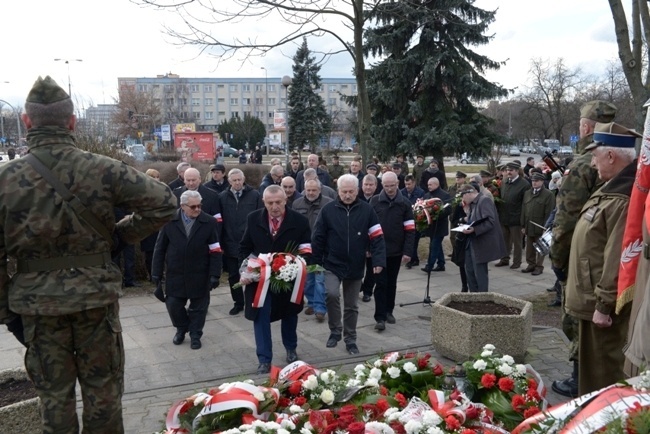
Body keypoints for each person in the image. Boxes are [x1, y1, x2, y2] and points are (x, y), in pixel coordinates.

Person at [0, 76, 176, 433]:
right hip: (95, 301)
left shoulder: (6, 179)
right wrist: (118, 237)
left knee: (54, 400)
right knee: (104, 394)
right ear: (72, 122)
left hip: (37, 307)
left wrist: (6, 311)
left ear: (26, 121)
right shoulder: (102, 168)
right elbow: (164, 203)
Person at [565, 122, 638, 395]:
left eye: (595, 156)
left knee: (603, 384)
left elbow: (619, 256)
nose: (593, 163)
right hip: (591, 300)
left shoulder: (622, 196)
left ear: (611, 156)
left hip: (601, 308)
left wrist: (604, 304)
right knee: (592, 378)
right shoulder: (610, 188)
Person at [550, 100, 616, 398]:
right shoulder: (623, 158)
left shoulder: (581, 165)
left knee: (574, 317)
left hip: (583, 256)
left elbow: (566, 219)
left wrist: (558, 260)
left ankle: (581, 380)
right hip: (609, 254)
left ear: (585, 127)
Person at [239, 185, 312, 374]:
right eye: (270, 203)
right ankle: (264, 359)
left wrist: (295, 265)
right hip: (260, 278)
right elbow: (244, 247)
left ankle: (291, 349)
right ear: (264, 202)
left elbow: (306, 250)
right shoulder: (253, 218)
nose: (274, 207)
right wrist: (246, 268)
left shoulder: (300, 221)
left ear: (285, 200)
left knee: (289, 314)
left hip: (287, 277)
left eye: (278, 202)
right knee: (260, 316)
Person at [312, 174, 386, 355]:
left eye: (351, 191)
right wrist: (316, 262)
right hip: (332, 263)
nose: (347, 195)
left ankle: (351, 339)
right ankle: (335, 331)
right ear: (338, 191)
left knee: (352, 305)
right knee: (331, 294)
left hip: (355, 264)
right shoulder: (328, 210)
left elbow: (377, 236)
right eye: (344, 191)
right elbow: (318, 237)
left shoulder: (367, 210)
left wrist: (378, 260)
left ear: (357, 191)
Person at [152, 190, 222, 350]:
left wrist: (215, 274)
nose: (197, 209)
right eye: (193, 207)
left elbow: (215, 249)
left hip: (200, 273)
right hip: (175, 273)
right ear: (183, 206)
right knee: (173, 305)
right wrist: (155, 273)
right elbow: (160, 248)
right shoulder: (169, 220)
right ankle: (181, 328)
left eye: (199, 206)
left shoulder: (209, 221)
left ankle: (196, 334)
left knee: (199, 307)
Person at [369, 172, 414, 331]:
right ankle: (379, 317)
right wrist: (368, 248)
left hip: (396, 251)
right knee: (380, 283)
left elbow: (410, 229)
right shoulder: (374, 202)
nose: (389, 189)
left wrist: (408, 251)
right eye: (386, 186)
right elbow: (367, 226)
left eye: (392, 186)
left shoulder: (405, 204)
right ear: (382, 185)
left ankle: (389, 311)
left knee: (391, 283)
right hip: (378, 251)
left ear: (397, 184)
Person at [219, 168, 262, 315]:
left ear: (243, 180)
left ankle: (252, 301)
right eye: (234, 180)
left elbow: (259, 218)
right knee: (233, 276)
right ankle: (238, 302)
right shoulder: (222, 197)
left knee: (252, 274)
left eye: (239, 180)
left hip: (249, 243)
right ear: (229, 181)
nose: (237, 183)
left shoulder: (255, 195)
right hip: (230, 242)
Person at [292, 179, 332, 321]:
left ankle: (320, 308)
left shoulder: (328, 203)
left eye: (314, 190)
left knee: (320, 279)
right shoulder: (297, 204)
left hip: (322, 247)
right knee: (308, 280)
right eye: (308, 190)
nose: (310, 193)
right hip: (304, 248)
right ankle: (312, 302)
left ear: (320, 190)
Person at [459, 184, 507, 292]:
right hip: (471, 242)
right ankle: (474, 296)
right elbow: (475, 219)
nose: (462, 200)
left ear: (468, 193)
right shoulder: (473, 204)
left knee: (479, 273)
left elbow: (490, 221)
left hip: (480, 242)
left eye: (463, 196)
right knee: (469, 270)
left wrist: (474, 230)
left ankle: (482, 297)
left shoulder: (484, 200)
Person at [495, 161, 529, 269]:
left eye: (511, 170)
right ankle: (504, 259)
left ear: (517, 171)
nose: (508, 172)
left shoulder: (524, 184)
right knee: (504, 240)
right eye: (507, 170)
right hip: (504, 217)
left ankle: (517, 262)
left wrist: (523, 220)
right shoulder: (505, 181)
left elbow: (525, 204)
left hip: (516, 218)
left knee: (517, 242)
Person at [520, 172, 554, 276]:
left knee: (541, 248)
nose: (534, 183)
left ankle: (539, 267)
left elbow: (549, 212)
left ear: (542, 181)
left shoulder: (548, 194)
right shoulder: (527, 193)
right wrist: (522, 225)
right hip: (529, 225)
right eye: (533, 181)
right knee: (529, 248)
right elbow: (524, 209)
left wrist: (546, 227)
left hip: (540, 226)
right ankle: (531, 265)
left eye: (536, 181)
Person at [420, 177, 452, 272]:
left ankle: (429, 265)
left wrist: (435, 214)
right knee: (436, 245)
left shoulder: (445, 195)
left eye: (430, 185)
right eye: (428, 185)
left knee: (434, 245)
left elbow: (449, 210)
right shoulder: (427, 195)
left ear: (436, 184)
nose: (428, 186)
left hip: (440, 226)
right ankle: (441, 264)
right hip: (431, 226)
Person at [359, 174, 380, 302]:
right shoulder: (357, 197)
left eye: (371, 185)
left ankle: (367, 291)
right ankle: (358, 285)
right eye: (366, 185)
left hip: (373, 238)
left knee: (371, 268)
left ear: (376, 186)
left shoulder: (378, 199)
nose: (368, 187)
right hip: (358, 238)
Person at [401, 174, 425, 269]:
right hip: (406, 220)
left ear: (414, 183)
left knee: (414, 241)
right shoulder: (402, 192)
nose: (407, 186)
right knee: (408, 241)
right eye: (406, 184)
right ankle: (414, 259)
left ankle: (413, 260)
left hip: (416, 221)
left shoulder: (420, 192)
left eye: (409, 184)